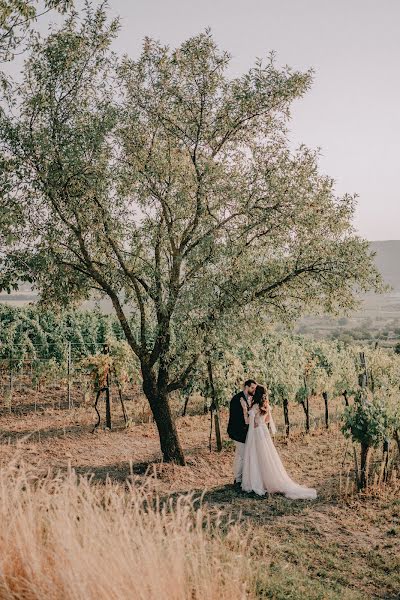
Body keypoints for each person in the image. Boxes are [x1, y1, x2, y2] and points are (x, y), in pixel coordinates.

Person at [241, 385, 317, 500]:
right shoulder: (265, 405)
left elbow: (248, 422)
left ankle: (259, 482)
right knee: (266, 457)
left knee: (257, 457)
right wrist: (259, 421)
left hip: (256, 432)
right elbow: (266, 420)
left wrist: (244, 409)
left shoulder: (256, 406)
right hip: (264, 432)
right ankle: (268, 480)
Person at [227, 379, 257, 487]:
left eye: (255, 388)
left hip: (245, 432)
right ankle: (239, 480)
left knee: (240, 456)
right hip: (237, 431)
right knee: (244, 455)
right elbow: (236, 418)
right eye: (252, 388)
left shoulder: (250, 398)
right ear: (246, 387)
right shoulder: (237, 399)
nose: (254, 390)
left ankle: (238, 479)